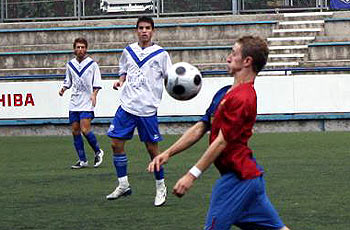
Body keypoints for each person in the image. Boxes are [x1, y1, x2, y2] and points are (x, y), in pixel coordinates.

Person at [148, 36, 290, 229]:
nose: (228, 58)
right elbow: (200, 127)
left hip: (238, 179)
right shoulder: (225, 92)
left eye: (233, 53)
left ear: (247, 61)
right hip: (248, 177)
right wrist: (168, 153)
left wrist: (191, 175)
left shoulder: (244, 98)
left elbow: (222, 142)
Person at [106, 16, 172, 207]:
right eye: (141, 28)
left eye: (148, 28)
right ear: (137, 31)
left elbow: (170, 78)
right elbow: (123, 70)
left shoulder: (161, 54)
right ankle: (123, 184)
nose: (144, 31)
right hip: (127, 106)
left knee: (152, 150)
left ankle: (160, 186)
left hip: (147, 109)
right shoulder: (128, 51)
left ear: (153, 31)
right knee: (115, 144)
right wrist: (120, 80)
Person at [59, 37, 104, 169]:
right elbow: (68, 81)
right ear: (74, 49)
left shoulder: (92, 64)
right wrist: (63, 88)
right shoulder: (70, 65)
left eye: (82, 47)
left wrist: (94, 95)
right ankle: (82, 160)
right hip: (74, 102)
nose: (80, 50)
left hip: (87, 101)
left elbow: (97, 82)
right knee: (75, 131)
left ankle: (98, 151)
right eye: (78, 47)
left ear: (86, 49)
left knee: (85, 129)